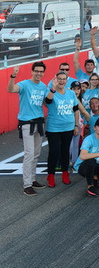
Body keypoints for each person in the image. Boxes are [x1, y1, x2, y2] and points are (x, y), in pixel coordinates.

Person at [8, 63, 49, 196]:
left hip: (39, 122)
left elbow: (47, 103)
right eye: (36, 71)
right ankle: (27, 185)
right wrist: (13, 75)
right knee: (29, 153)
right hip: (27, 123)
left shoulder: (43, 86)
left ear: (43, 73)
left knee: (36, 153)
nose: (39, 73)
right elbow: (11, 89)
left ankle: (32, 179)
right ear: (32, 71)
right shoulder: (25, 84)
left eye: (41, 71)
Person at [44, 72, 81, 188]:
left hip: (68, 127)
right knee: (54, 151)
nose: (61, 81)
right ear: (56, 79)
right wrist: (53, 89)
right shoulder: (51, 91)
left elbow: (76, 109)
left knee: (66, 151)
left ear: (66, 80)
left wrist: (76, 125)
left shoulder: (71, 93)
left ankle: (65, 173)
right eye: (59, 79)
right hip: (54, 128)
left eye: (64, 79)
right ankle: (50, 175)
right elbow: (48, 101)